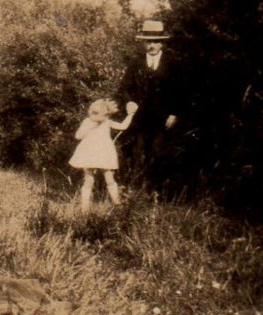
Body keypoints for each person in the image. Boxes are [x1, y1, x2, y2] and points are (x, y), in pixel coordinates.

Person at [117, 20, 183, 190]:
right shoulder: (135, 64)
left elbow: (180, 91)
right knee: (137, 152)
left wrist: (174, 113)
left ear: (162, 43)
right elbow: (124, 88)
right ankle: (135, 190)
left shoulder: (173, 64)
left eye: (155, 41)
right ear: (143, 43)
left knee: (158, 153)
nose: (151, 45)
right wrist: (129, 101)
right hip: (139, 119)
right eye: (148, 41)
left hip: (162, 119)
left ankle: (155, 192)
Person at [68, 99, 137, 210]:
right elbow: (78, 136)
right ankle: (84, 208)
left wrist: (130, 115)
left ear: (106, 115)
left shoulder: (107, 122)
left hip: (103, 153)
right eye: (92, 113)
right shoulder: (87, 122)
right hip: (89, 152)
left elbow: (123, 126)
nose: (93, 116)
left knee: (109, 177)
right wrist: (88, 128)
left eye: (97, 114)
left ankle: (117, 202)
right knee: (89, 179)